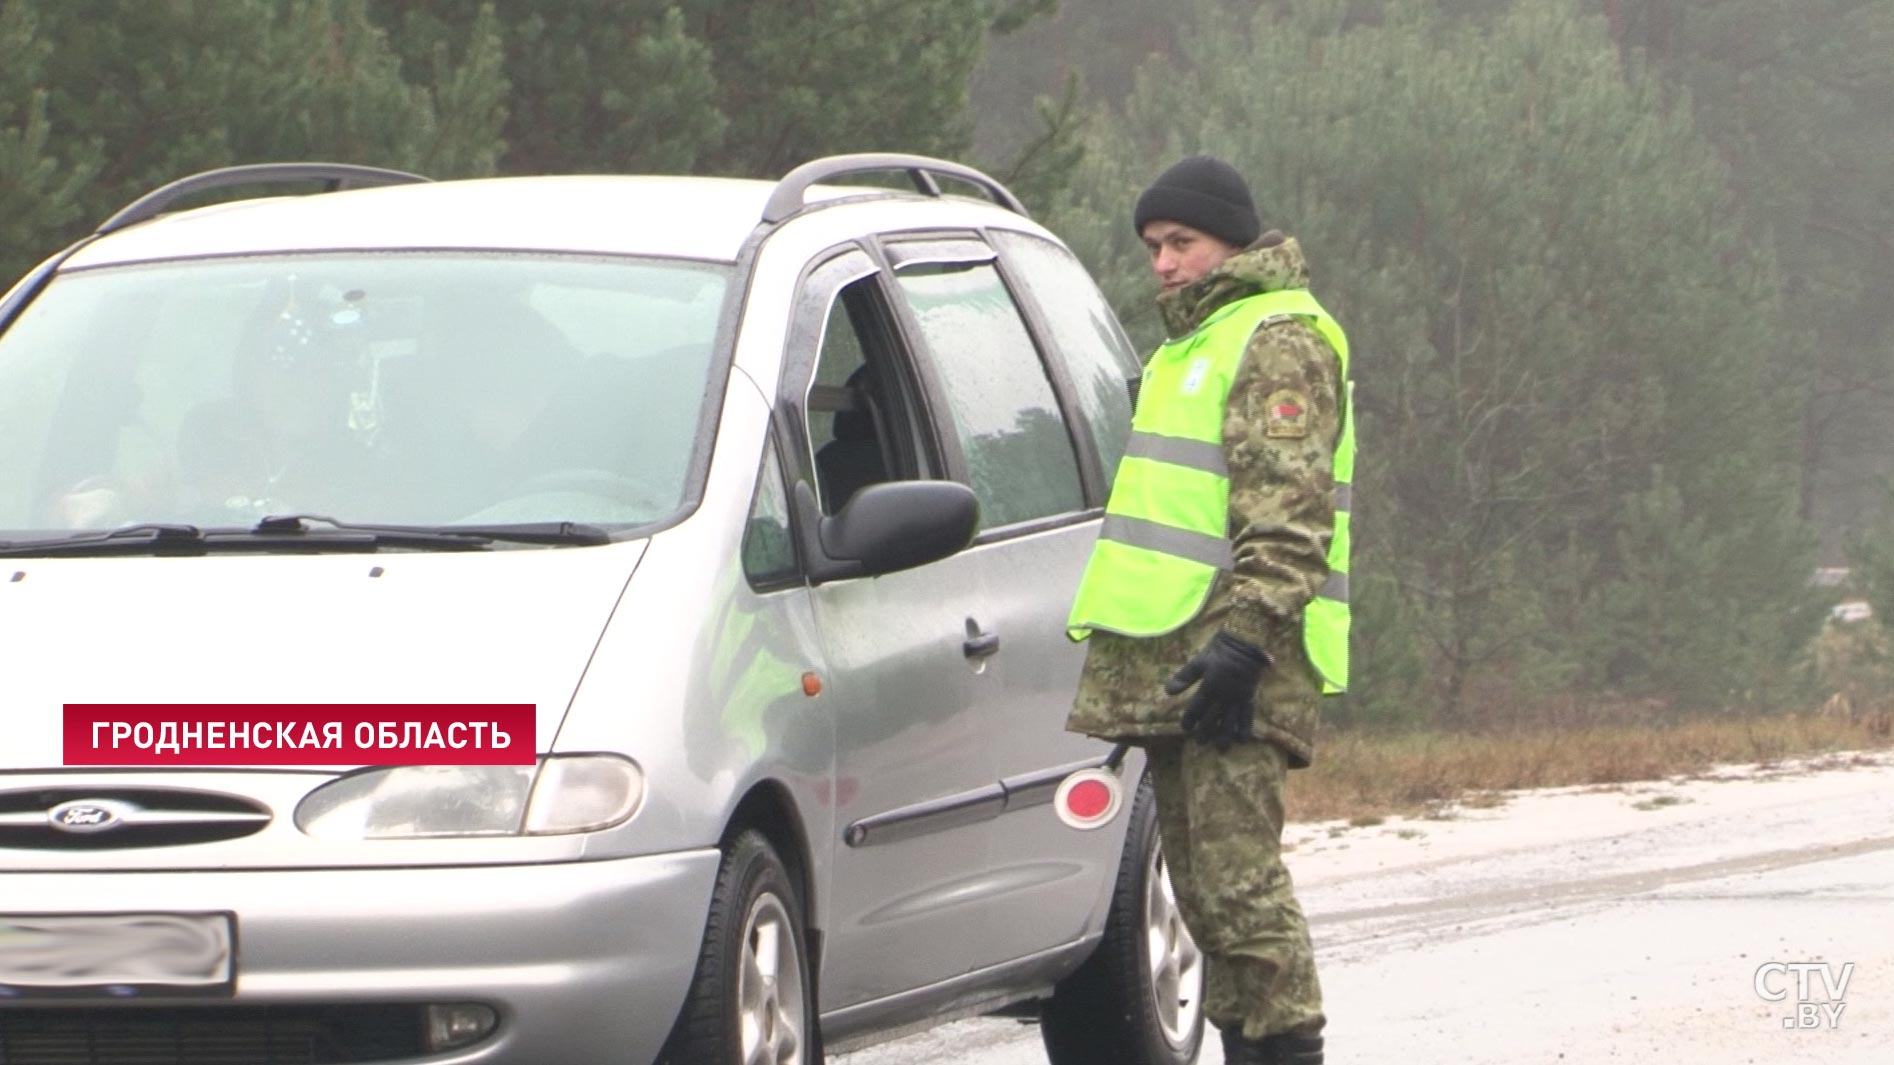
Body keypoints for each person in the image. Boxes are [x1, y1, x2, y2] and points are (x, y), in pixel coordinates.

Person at [1065, 155, 1354, 1065]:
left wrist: (1248, 644)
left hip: (1238, 662)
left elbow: (1290, 512)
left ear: (1233, 239)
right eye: (1153, 246)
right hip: (1182, 667)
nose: (1163, 262)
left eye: (1181, 242)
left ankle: (1287, 1051)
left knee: (1241, 891)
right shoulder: (1192, 343)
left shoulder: (1277, 337)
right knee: (1205, 898)